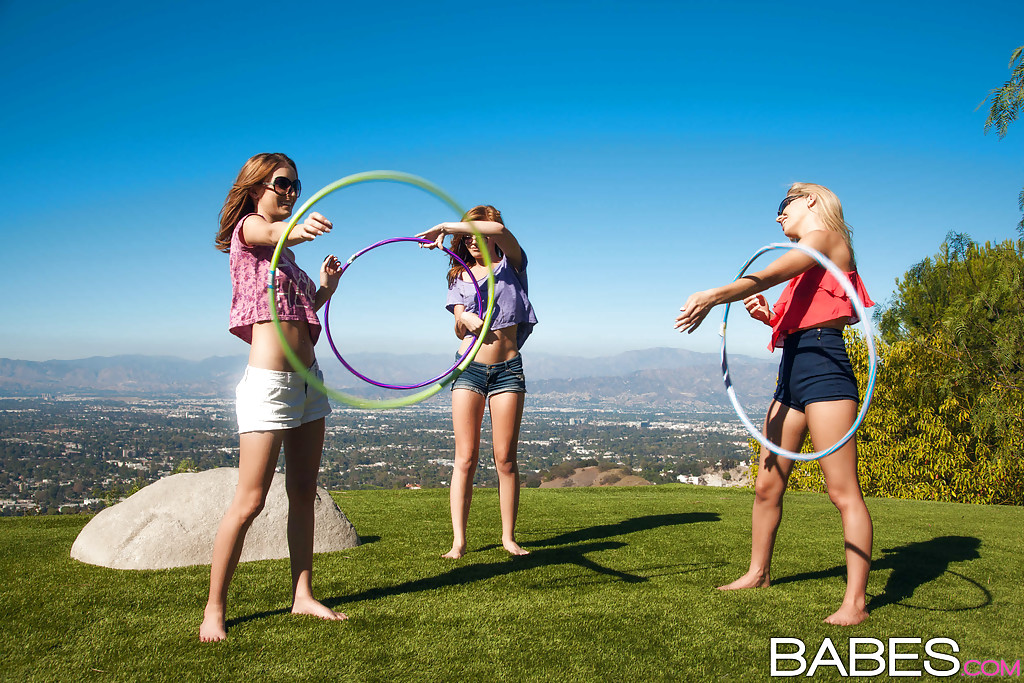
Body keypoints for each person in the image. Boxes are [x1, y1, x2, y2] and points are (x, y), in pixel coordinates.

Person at [674, 183, 874, 626]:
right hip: (793, 370)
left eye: (784, 206)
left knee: (842, 492)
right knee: (766, 484)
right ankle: (758, 573)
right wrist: (770, 317)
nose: (778, 216)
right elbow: (801, 315)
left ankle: (855, 603)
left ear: (811, 202)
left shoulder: (826, 239)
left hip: (825, 368)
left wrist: (712, 295)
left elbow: (767, 276)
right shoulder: (808, 260)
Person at [200, 153, 347, 642]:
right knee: (250, 502)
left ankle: (302, 595)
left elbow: (304, 309)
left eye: (296, 186)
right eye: (283, 184)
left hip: (310, 383)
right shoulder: (250, 232)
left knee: (304, 492)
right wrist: (300, 229)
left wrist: (326, 285)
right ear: (257, 184)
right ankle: (214, 609)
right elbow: (267, 232)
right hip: (269, 385)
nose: (291, 192)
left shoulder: (285, 258)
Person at [416, 206, 538, 559]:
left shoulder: (513, 264)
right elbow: (457, 323)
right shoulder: (459, 275)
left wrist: (441, 224)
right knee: (465, 458)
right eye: (466, 235)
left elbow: (498, 228)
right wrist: (464, 319)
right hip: (468, 369)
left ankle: (509, 538)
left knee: (505, 460)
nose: (471, 239)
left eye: (477, 233)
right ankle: (458, 542)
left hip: (507, 370)